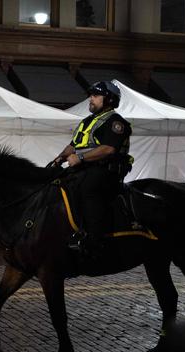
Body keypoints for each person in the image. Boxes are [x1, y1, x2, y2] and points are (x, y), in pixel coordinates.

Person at [53, 81, 132, 254]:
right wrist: (59, 158)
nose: (91, 99)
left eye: (96, 96)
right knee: (57, 182)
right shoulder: (87, 121)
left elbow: (108, 149)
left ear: (109, 99)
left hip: (106, 170)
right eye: (91, 95)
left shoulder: (116, 122)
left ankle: (95, 239)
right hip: (86, 168)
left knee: (88, 187)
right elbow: (73, 145)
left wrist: (80, 158)